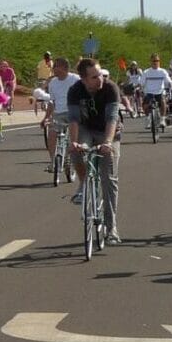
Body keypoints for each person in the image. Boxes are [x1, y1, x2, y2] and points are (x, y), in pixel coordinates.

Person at [66, 59, 122, 242]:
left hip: (108, 132)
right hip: (86, 129)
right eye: (94, 76)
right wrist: (74, 142)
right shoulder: (75, 90)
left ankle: (111, 227)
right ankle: (83, 184)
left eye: (100, 74)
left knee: (109, 179)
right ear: (83, 79)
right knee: (75, 149)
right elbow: (73, 119)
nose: (100, 79)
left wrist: (107, 142)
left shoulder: (110, 88)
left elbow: (112, 118)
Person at [41, 57, 80, 169]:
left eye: (56, 66)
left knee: (73, 137)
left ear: (64, 67)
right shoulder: (53, 83)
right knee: (52, 134)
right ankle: (53, 162)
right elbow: (52, 102)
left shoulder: (75, 79)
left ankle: (70, 158)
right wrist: (46, 118)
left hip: (73, 113)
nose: (53, 69)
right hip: (59, 114)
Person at [142, 54, 172, 126]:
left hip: (160, 92)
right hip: (149, 92)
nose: (156, 62)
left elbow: (168, 81)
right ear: (151, 61)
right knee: (145, 104)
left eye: (157, 60)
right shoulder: (146, 72)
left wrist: (171, 85)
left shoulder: (163, 71)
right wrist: (140, 88)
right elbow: (142, 83)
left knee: (163, 101)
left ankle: (162, 119)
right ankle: (148, 118)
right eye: (154, 61)